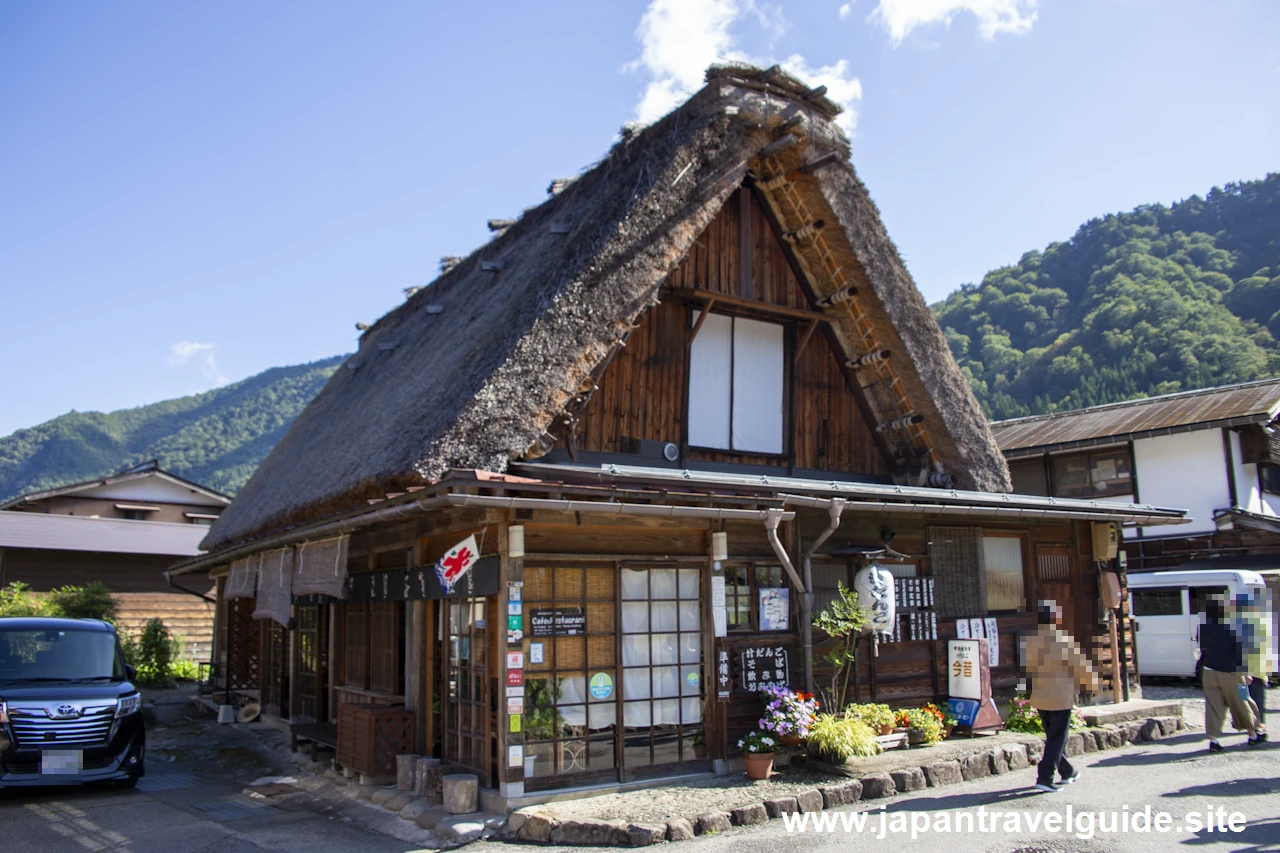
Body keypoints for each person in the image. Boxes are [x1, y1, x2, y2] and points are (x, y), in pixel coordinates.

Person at [1023, 601, 1099, 793]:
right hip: (1060, 695)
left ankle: (1067, 771)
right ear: (1054, 617)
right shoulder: (1062, 639)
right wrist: (1091, 684)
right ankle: (1045, 776)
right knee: (1057, 738)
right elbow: (1081, 666)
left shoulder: (1032, 640)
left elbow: (1027, 668)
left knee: (1054, 737)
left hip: (1040, 695)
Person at [1200, 597, 1260, 751]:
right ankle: (1253, 735)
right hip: (1232, 673)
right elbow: (1240, 652)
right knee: (1242, 700)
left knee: (1213, 707)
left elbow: (1202, 649)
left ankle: (1213, 741)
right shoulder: (1234, 627)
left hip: (1209, 672)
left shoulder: (1205, 626)